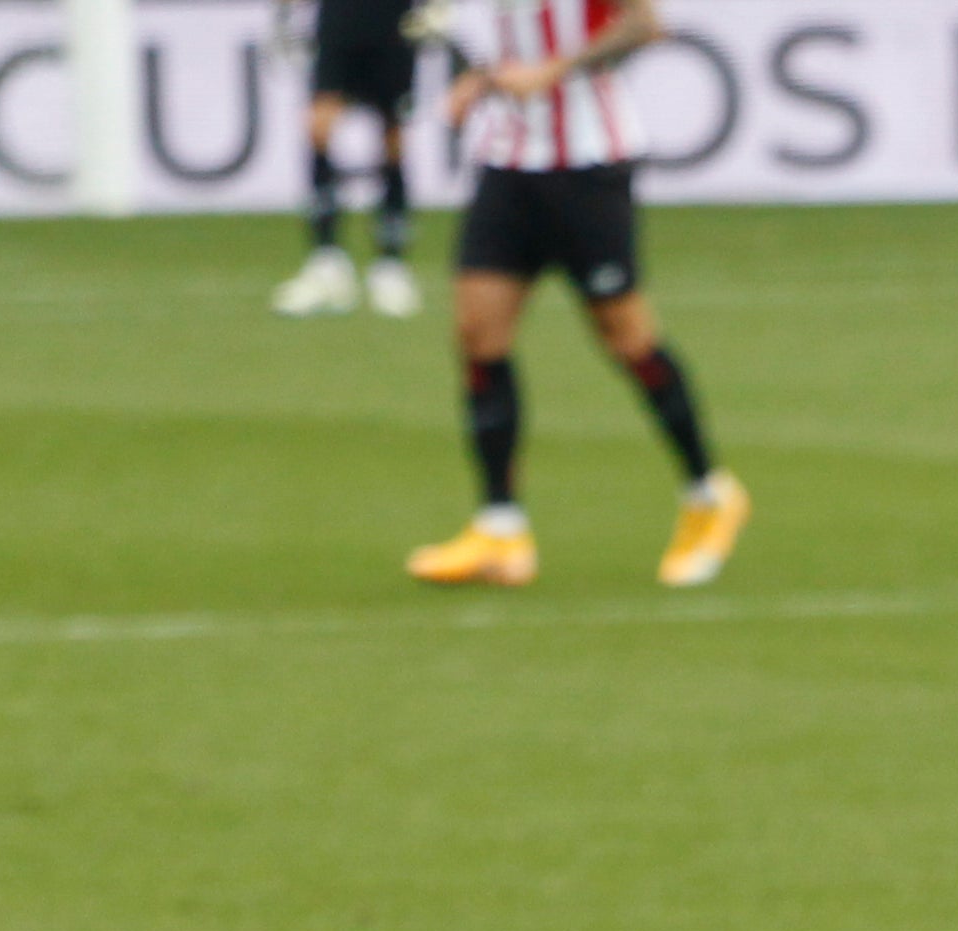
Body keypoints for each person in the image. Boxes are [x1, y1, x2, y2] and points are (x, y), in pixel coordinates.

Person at [402, 0, 749, 592]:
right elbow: (507, 42)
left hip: (589, 165)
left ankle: (708, 493)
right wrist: (481, 80)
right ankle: (500, 527)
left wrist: (553, 71)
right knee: (478, 334)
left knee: (627, 339)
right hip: (507, 161)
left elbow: (644, 24)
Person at [269, 0, 424, 319]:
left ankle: (391, 266)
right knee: (319, 128)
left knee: (392, 138)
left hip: (392, 20)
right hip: (339, 19)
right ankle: (327, 263)